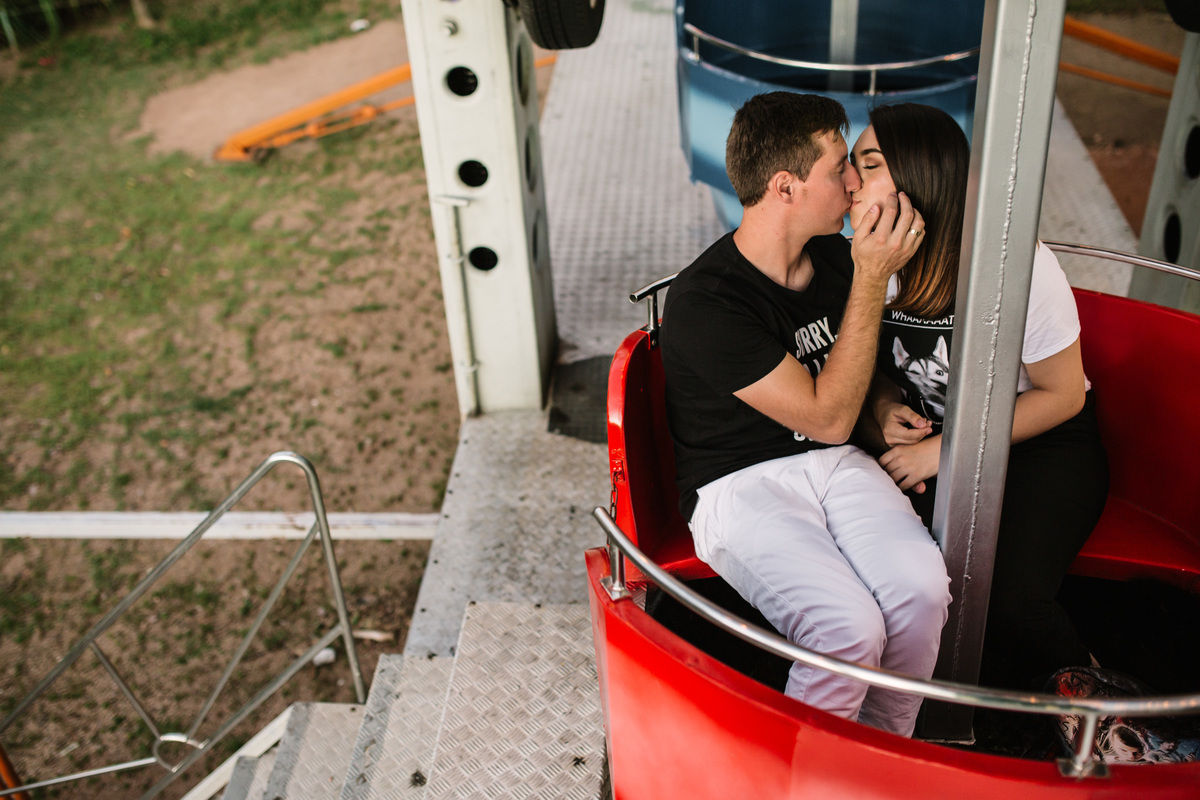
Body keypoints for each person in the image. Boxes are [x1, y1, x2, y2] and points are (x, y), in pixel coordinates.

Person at [660, 91, 951, 737]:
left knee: (921, 592)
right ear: (785, 187)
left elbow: (854, 374)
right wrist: (873, 277)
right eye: (839, 167)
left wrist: (883, 404)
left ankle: (883, 753)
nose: (854, 183)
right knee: (847, 630)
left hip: (837, 462)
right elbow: (826, 417)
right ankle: (807, 772)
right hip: (738, 482)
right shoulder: (707, 301)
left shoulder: (836, 262)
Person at [849, 102, 1109, 689]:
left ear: (921, 175)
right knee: (895, 576)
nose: (851, 182)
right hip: (931, 439)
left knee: (1015, 600)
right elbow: (873, 367)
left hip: (1038, 440)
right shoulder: (868, 257)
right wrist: (885, 406)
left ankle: (1102, 705)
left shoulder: (1015, 265)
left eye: (869, 164)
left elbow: (1063, 395)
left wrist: (945, 452)